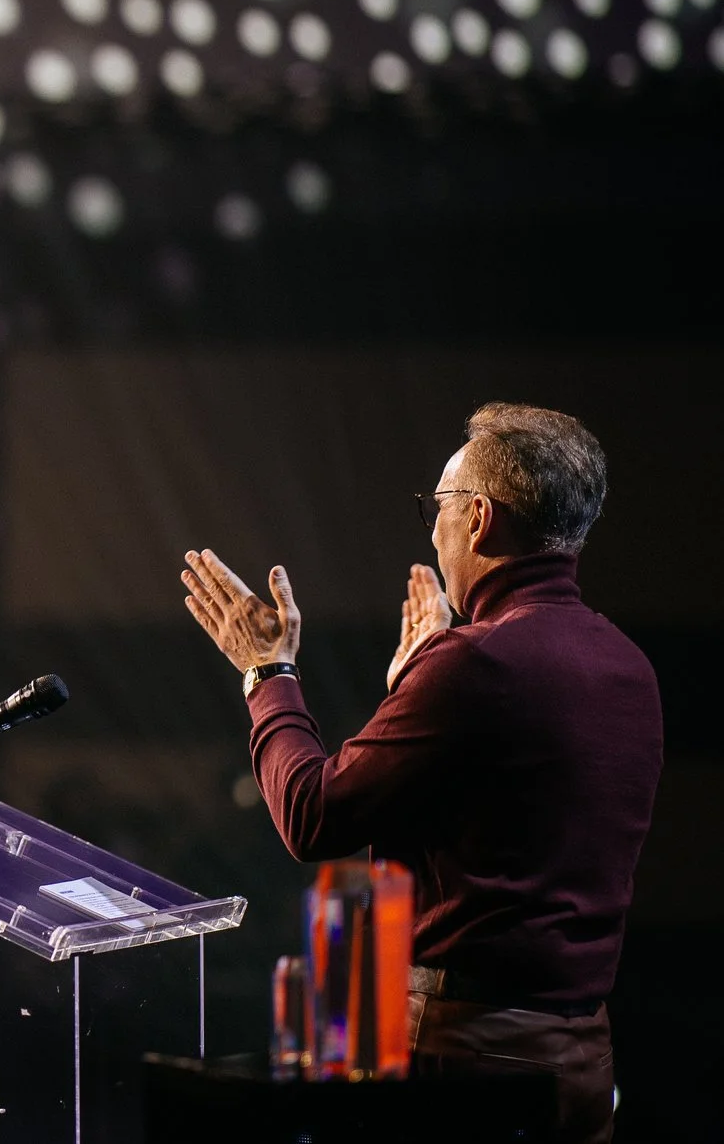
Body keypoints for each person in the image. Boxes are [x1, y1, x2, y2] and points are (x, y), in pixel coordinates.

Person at [179, 403, 661, 1144]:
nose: (429, 528)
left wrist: (267, 670)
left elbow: (312, 817)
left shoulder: (475, 663)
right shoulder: (630, 667)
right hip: (581, 1062)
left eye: (435, 506)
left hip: (466, 1064)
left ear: (476, 517)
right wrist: (418, 689)